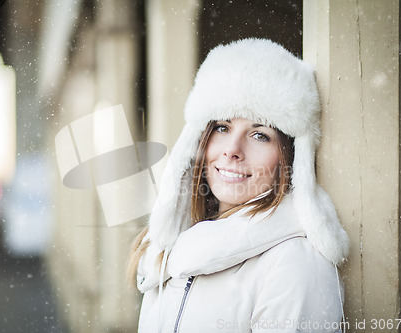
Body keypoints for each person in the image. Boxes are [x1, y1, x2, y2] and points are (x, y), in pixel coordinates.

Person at [128, 38, 350, 332]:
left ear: (290, 159)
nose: (232, 149)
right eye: (222, 127)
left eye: (260, 135)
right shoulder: (170, 248)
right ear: (198, 141)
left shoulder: (294, 265)